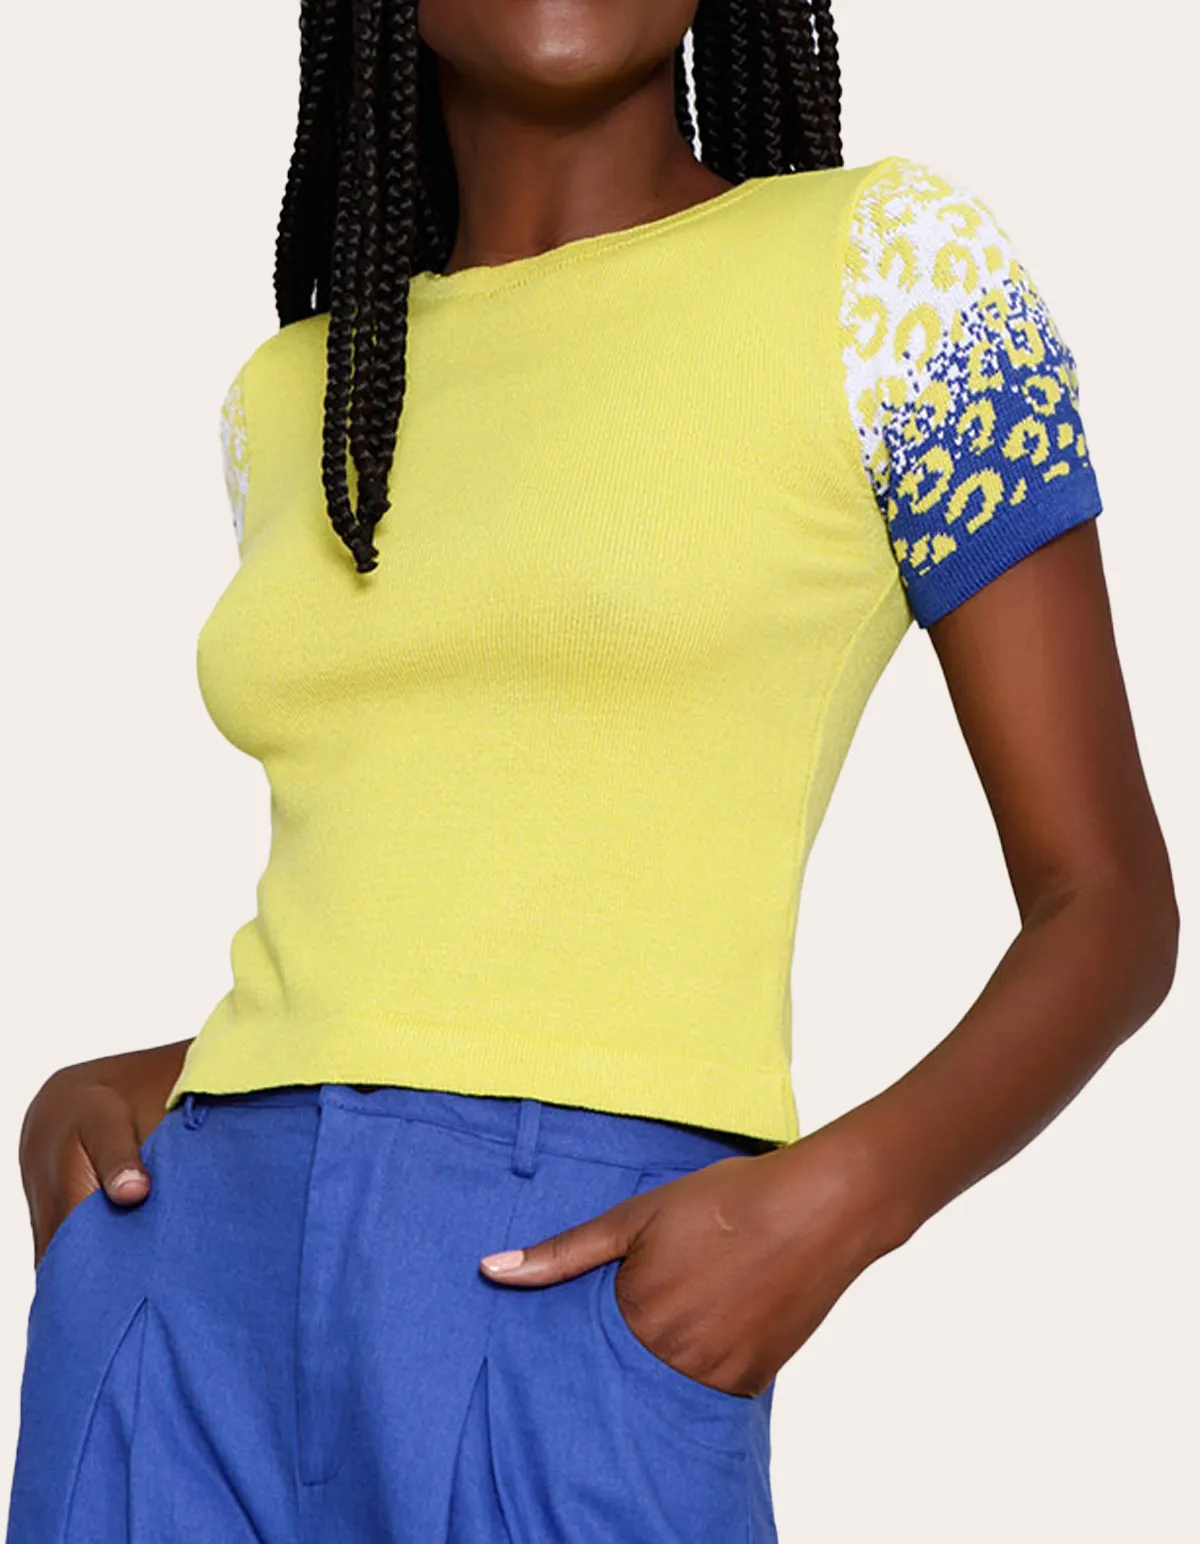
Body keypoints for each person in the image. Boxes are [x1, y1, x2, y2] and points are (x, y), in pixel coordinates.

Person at [7, 2, 1179, 1541]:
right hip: (184, 1288)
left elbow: (1108, 904)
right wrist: (153, 1083)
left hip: (577, 1280)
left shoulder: (889, 278)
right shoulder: (298, 393)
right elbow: (434, 875)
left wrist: (827, 1211)